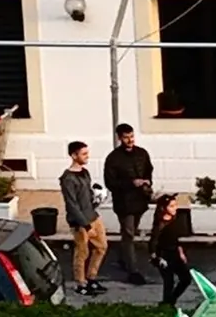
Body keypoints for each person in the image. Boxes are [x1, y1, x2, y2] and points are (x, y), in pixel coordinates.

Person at [103, 123, 155, 284]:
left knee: (130, 233)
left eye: (131, 136)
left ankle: (122, 258)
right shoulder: (113, 158)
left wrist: (147, 182)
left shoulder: (142, 153)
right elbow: (110, 183)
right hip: (124, 203)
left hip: (140, 200)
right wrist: (132, 183)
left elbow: (149, 170)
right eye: (126, 137)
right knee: (129, 234)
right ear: (119, 138)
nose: (130, 140)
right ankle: (133, 271)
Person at [60, 139, 107, 298]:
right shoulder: (67, 179)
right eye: (84, 154)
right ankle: (81, 283)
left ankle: (91, 277)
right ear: (74, 155)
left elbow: (86, 195)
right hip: (80, 223)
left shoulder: (85, 172)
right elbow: (72, 204)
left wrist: (97, 198)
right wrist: (85, 225)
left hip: (93, 215)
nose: (87, 156)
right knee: (82, 253)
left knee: (101, 247)